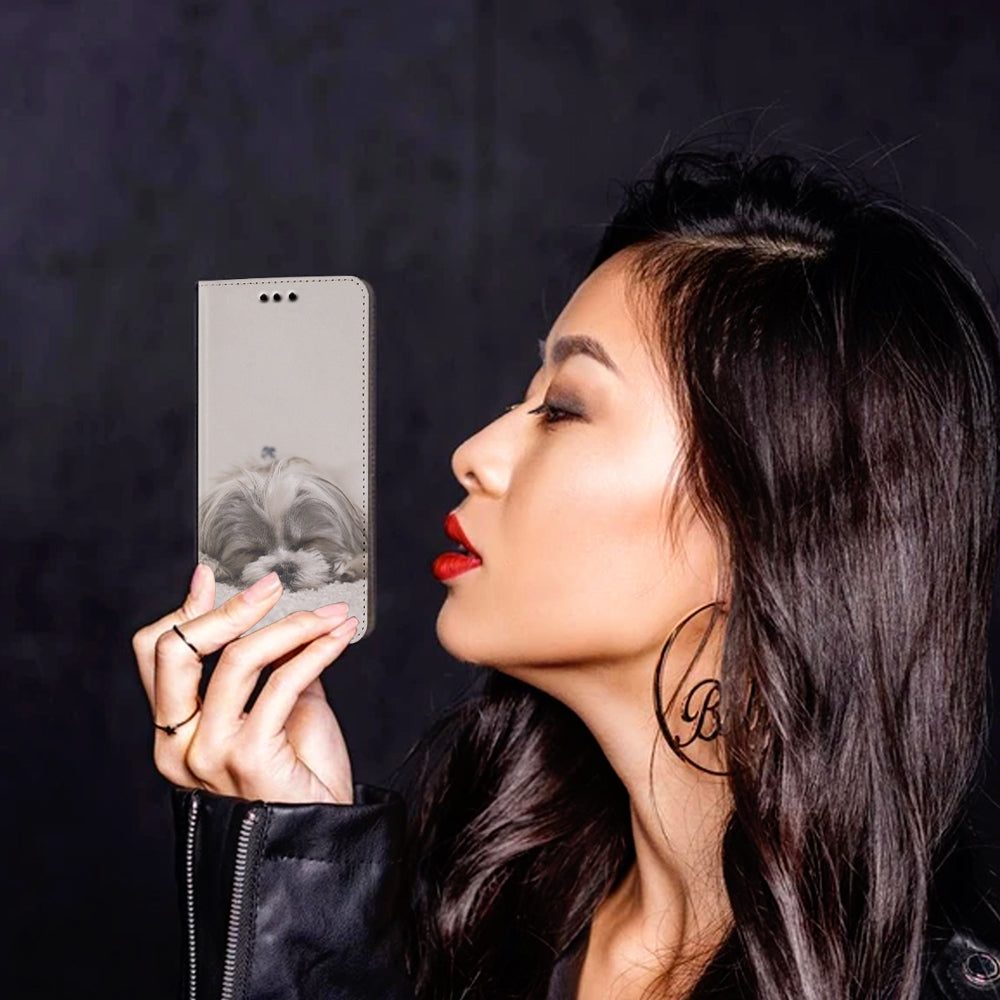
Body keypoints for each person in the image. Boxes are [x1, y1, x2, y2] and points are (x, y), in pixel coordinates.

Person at [132, 146, 1000, 1000]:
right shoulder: (485, 909)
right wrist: (302, 887)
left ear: (771, 514)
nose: (473, 453)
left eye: (563, 408)